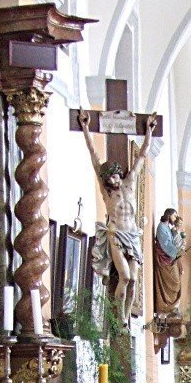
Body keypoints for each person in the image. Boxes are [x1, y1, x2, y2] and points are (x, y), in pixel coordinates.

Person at [78, 110, 158, 323]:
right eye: (108, 178)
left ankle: (126, 318)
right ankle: (120, 318)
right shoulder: (107, 194)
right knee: (125, 277)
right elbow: (94, 160)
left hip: (132, 234)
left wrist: (149, 131)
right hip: (116, 234)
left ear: (118, 173)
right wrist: (86, 129)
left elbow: (142, 156)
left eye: (113, 175)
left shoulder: (130, 183)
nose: (112, 180)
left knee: (134, 280)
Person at [153, 207, 186, 317]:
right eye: (174, 216)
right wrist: (176, 253)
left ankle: (172, 307)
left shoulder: (167, 227)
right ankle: (166, 307)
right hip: (164, 259)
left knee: (176, 282)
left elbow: (172, 241)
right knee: (174, 281)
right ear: (168, 215)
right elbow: (165, 244)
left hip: (170, 259)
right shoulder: (161, 227)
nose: (176, 218)